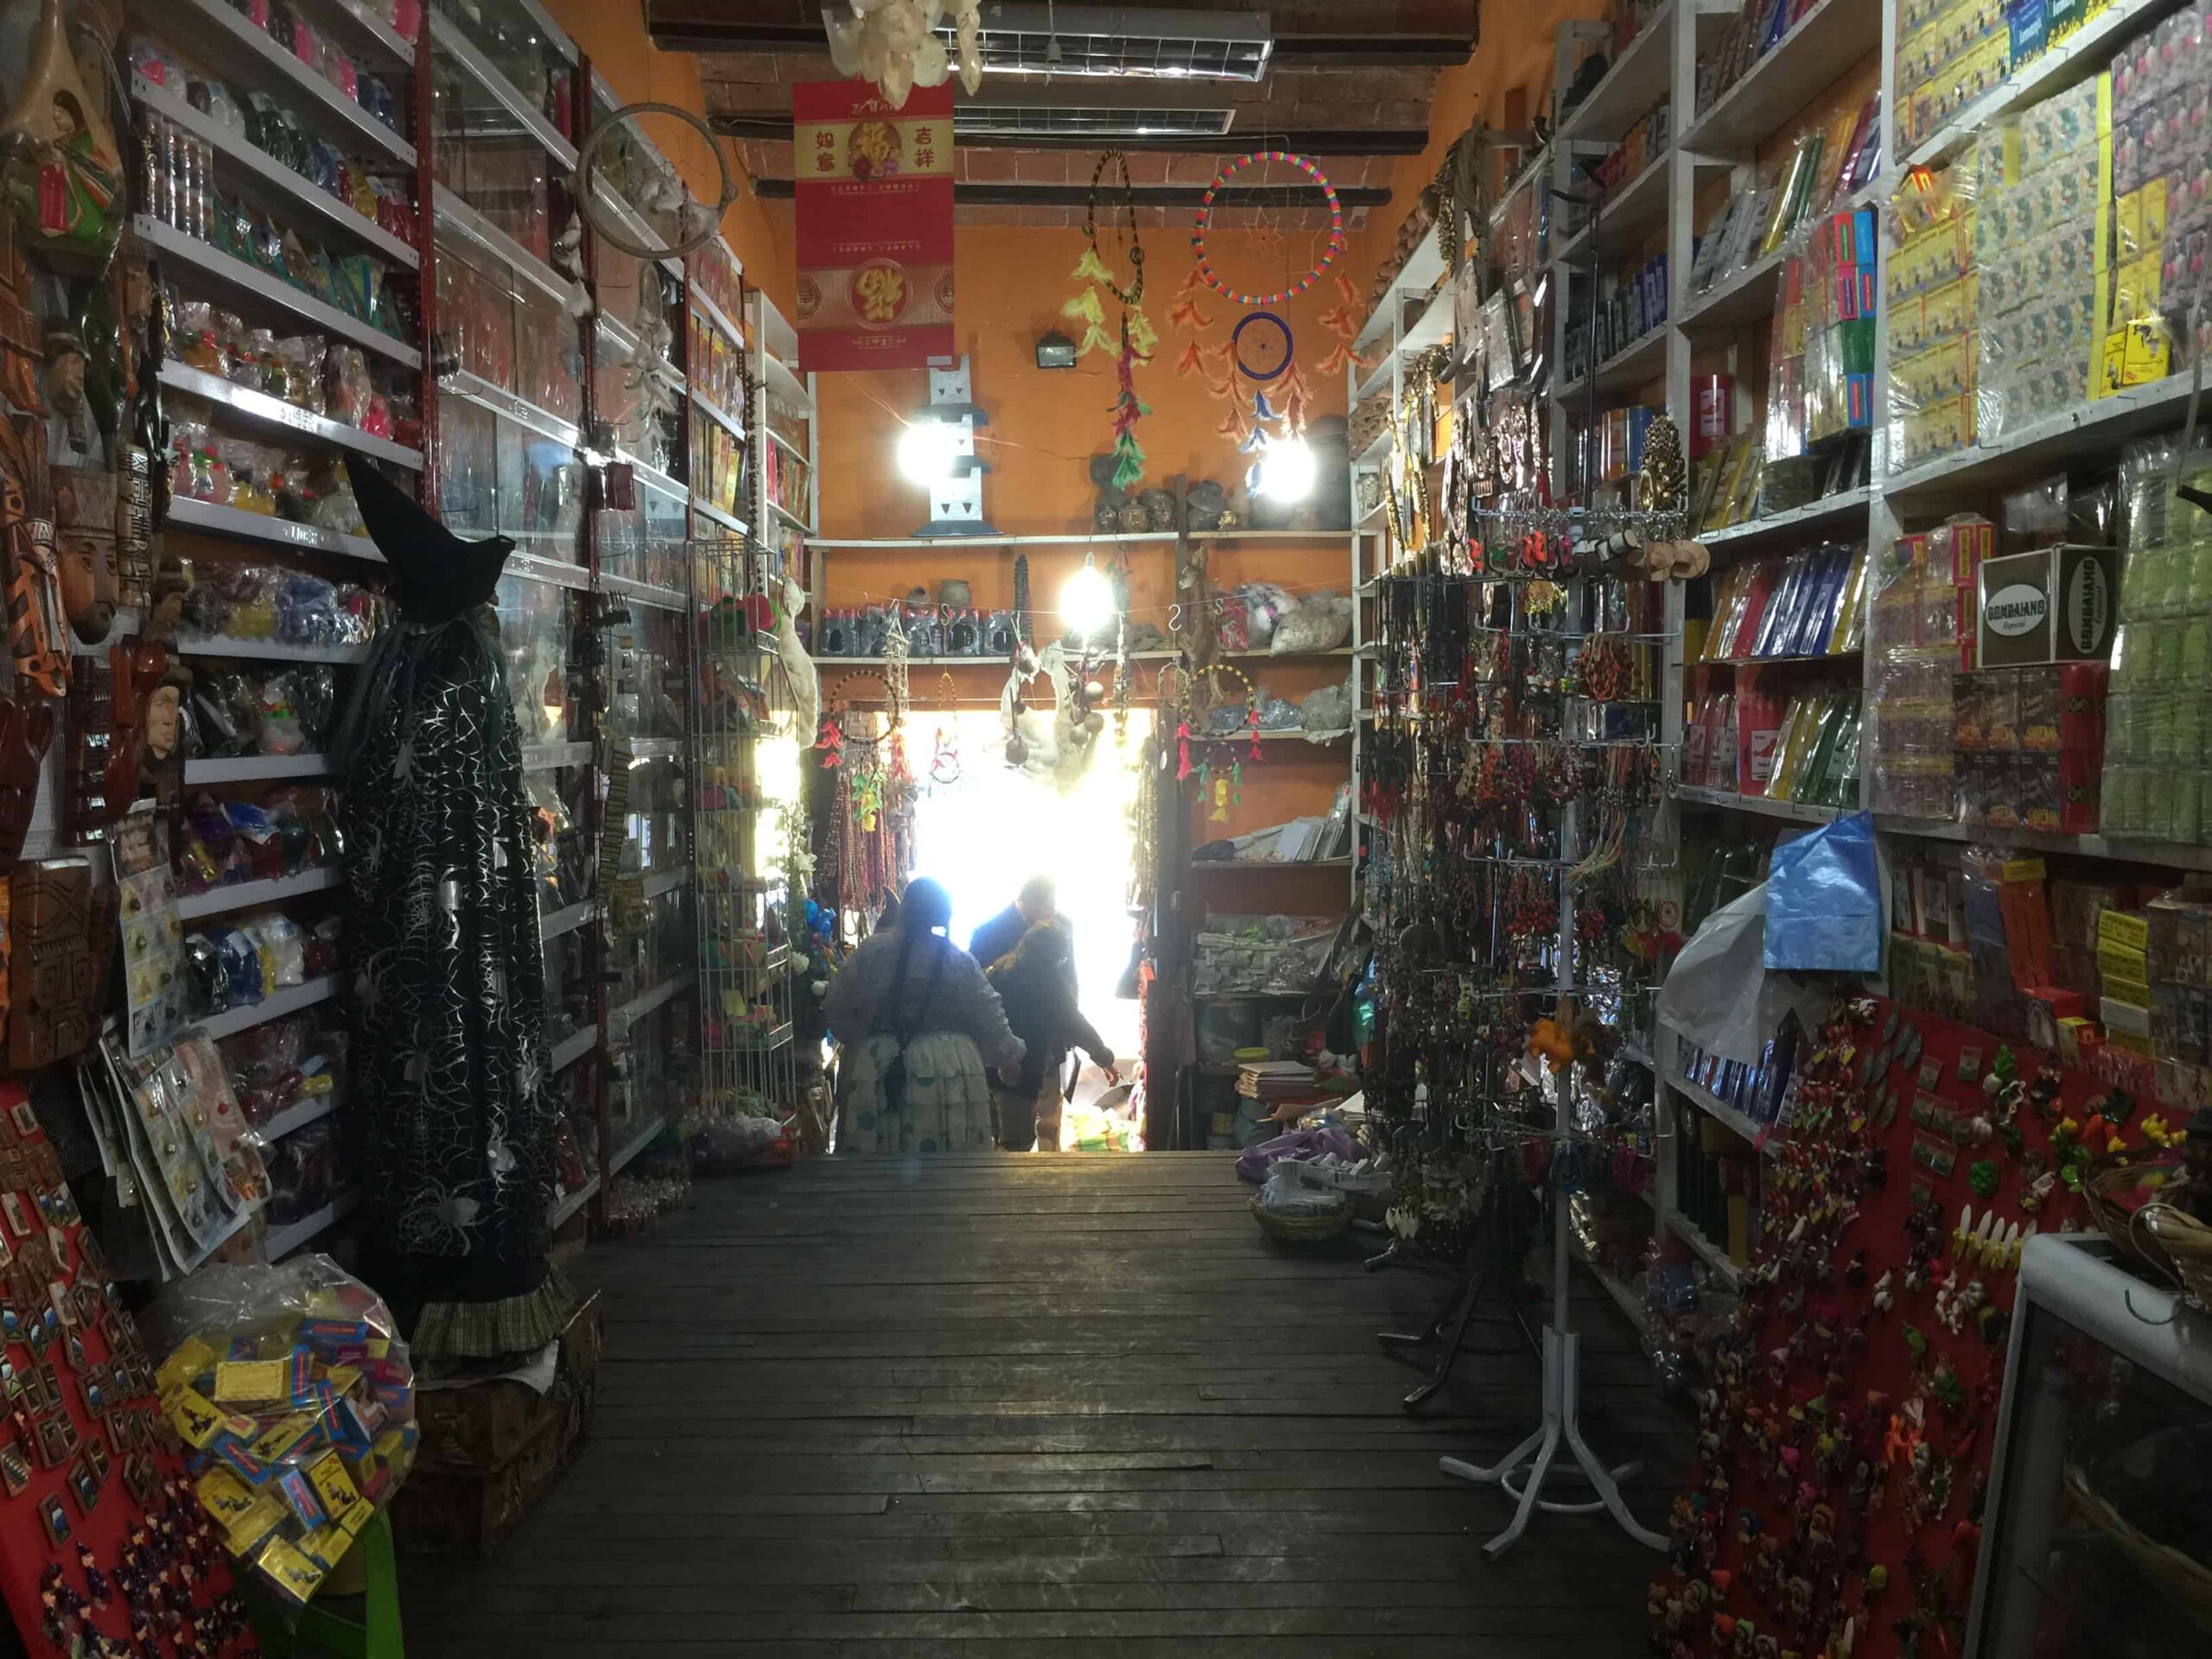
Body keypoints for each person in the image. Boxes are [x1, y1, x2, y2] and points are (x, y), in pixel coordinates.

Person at [825, 876, 1024, 1154]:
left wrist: (862, 1043)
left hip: (876, 1068)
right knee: (950, 1175)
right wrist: (1008, 1059)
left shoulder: (871, 953)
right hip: (950, 1071)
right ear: (945, 914)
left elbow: (836, 1007)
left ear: (905, 909)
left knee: (873, 1175)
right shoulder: (959, 960)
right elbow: (988, 1014)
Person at [988, 922, 1117, 1152]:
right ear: (1054, 956)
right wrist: (1104, 1057)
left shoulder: (998, 971)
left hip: (988, 1069)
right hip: (1022, 1074)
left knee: (990, 1142)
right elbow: (1075, 1023)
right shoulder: (1048, 983)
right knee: (1016, 1148)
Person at [970, 874, 1067, 979]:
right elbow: (976, 984)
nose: (1053, 914)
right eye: (1048, 907)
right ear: (1031, 903)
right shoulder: (986, 934)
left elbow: (1068, 976)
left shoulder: (1062, 924)